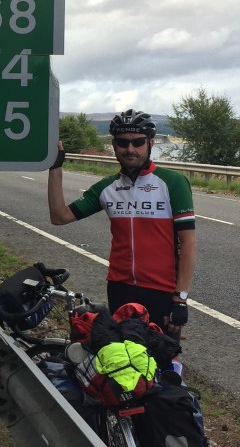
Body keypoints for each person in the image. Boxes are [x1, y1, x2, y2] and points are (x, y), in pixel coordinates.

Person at [47, 109, 197, 335]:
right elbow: (60, 216)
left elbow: (188, 243)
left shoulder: (173, 182)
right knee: (121, 355)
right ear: (113, 145)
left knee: (161, 355)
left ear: (150, 143)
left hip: (162, 292)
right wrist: (55, 167)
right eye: (123, 142)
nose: (130, 149)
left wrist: (181, 298)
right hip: (120, 289)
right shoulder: (107, 187)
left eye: (138, 142)